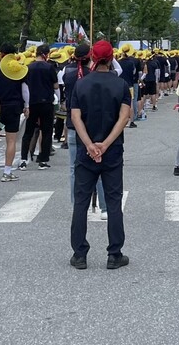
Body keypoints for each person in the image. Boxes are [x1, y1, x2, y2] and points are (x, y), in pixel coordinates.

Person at [69, 40, 132, 271]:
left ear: (93, 58)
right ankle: (114, 254)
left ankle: (79, 253)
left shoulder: (81, 84)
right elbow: (124, 117)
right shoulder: (121, 84)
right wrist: (105, 144)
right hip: (112, 150)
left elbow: (75, 118)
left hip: (86, 151)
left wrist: (90, 145)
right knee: (114, 202)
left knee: (81, 201)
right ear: (111, 56)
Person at [63, 44, 107, 219]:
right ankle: (104, 207)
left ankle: (77, 204)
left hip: (74, 125)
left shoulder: (67, 74)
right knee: (99, 166)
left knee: (75, 168)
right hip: (94, 127)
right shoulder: (94, 76)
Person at [0, 45, 29, 181]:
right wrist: (27, 105)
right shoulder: (19, 69)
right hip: (14, 106)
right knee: (11, 140)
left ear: (1, 54)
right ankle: (7, 172)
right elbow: (25, 90)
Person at [21, 44, 58, 170]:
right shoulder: (49, 67)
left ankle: (23, 159)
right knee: (46, 132)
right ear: (45, 54)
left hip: (32, 102)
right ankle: (43, 159)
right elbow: (56, 86)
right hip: (46, 102)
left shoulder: (28, 67)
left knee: (29, 131)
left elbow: (24, 86)